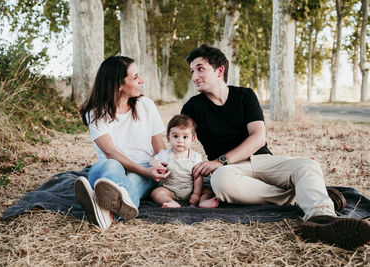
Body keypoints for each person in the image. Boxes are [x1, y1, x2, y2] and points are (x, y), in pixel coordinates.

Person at [181, 44, 370, 250]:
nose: (195, 77)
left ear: (219, 71)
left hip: (262, 160)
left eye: (200, 69)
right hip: (229, 171)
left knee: (306, 165)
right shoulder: (192, 107)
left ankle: (322, 219)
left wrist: (220, 160)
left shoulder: (244, 95)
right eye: (192, 71)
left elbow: (258, 138)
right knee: (221, 181)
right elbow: (179, 139)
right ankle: (300, 193)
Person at [74, 56, 170, 230]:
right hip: (107, 171)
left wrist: (158, 165)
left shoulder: (146, 105)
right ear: (118, 85)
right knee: (112, 166)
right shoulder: (95, 112)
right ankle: (117, 203)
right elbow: (111, 152)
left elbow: (159, 147)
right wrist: (146, 172)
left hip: (142, 170)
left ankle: (103, 211)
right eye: (134, 77)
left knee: (132, 181)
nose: (141, 80)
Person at [150, 114, 219, 208]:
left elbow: (198, 177)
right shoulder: (165, 154)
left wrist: (196, 194)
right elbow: (152, 160)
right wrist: (156, 163)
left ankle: (203, 201)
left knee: (208, 190)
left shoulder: (195, 157)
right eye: (175, 136)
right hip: (170, 189)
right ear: (168, 138)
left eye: (185, 137)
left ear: (192, 139)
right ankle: (170, 201)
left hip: (191, 190)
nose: (180, 141)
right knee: (156, 193)